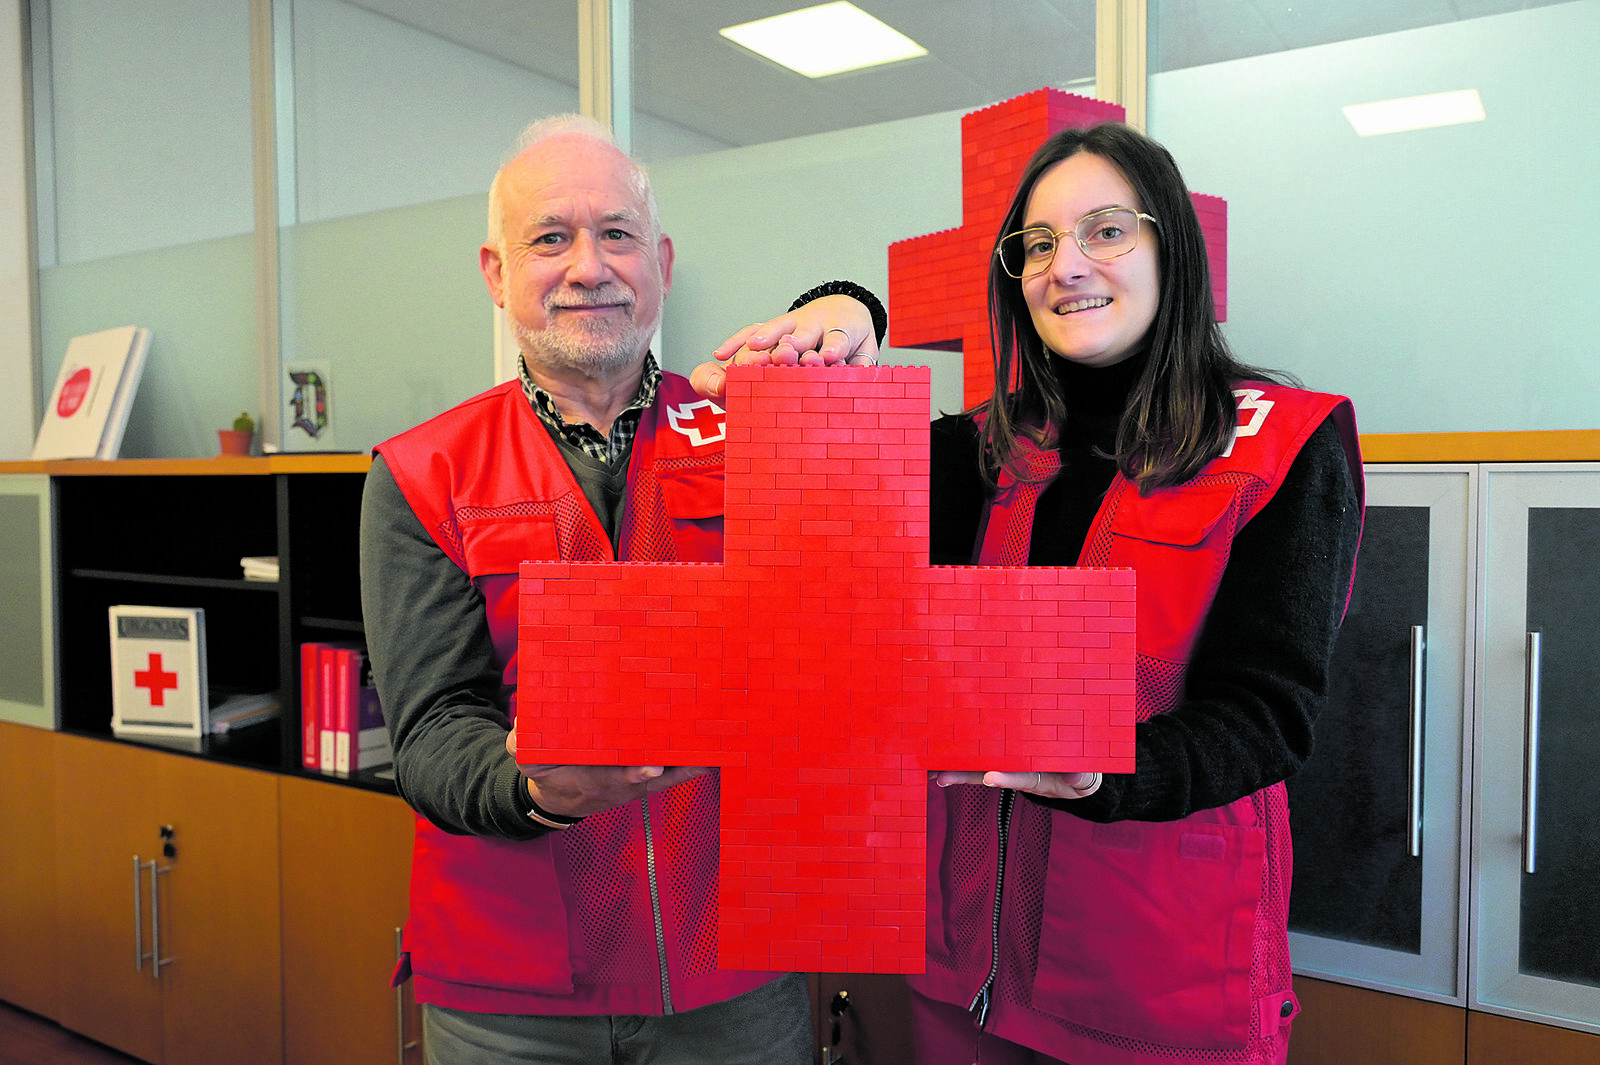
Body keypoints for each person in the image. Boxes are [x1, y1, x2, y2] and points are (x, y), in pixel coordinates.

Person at [696, 122, 1363, 1065]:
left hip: (1156, 987)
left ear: (1173, 245)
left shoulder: (1280, 445)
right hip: (961, 976)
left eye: (1105, 231)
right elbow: (826, 566)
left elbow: (1270, 715)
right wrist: (840, 316)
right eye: (1038, 244)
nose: (1066, 265)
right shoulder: (984, 449)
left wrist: (1107, 770)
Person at [358, 113, 883, 1065]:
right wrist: (535, 789)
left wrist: (850, 318)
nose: (587, 266)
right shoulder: (421, 472)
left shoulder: (759, 436)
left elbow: (852, 649)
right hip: (508, 986)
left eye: (617, 234)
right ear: (496, 273)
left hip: (732, 971)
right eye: (550, 238)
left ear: (663, 263)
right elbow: (431, 733)